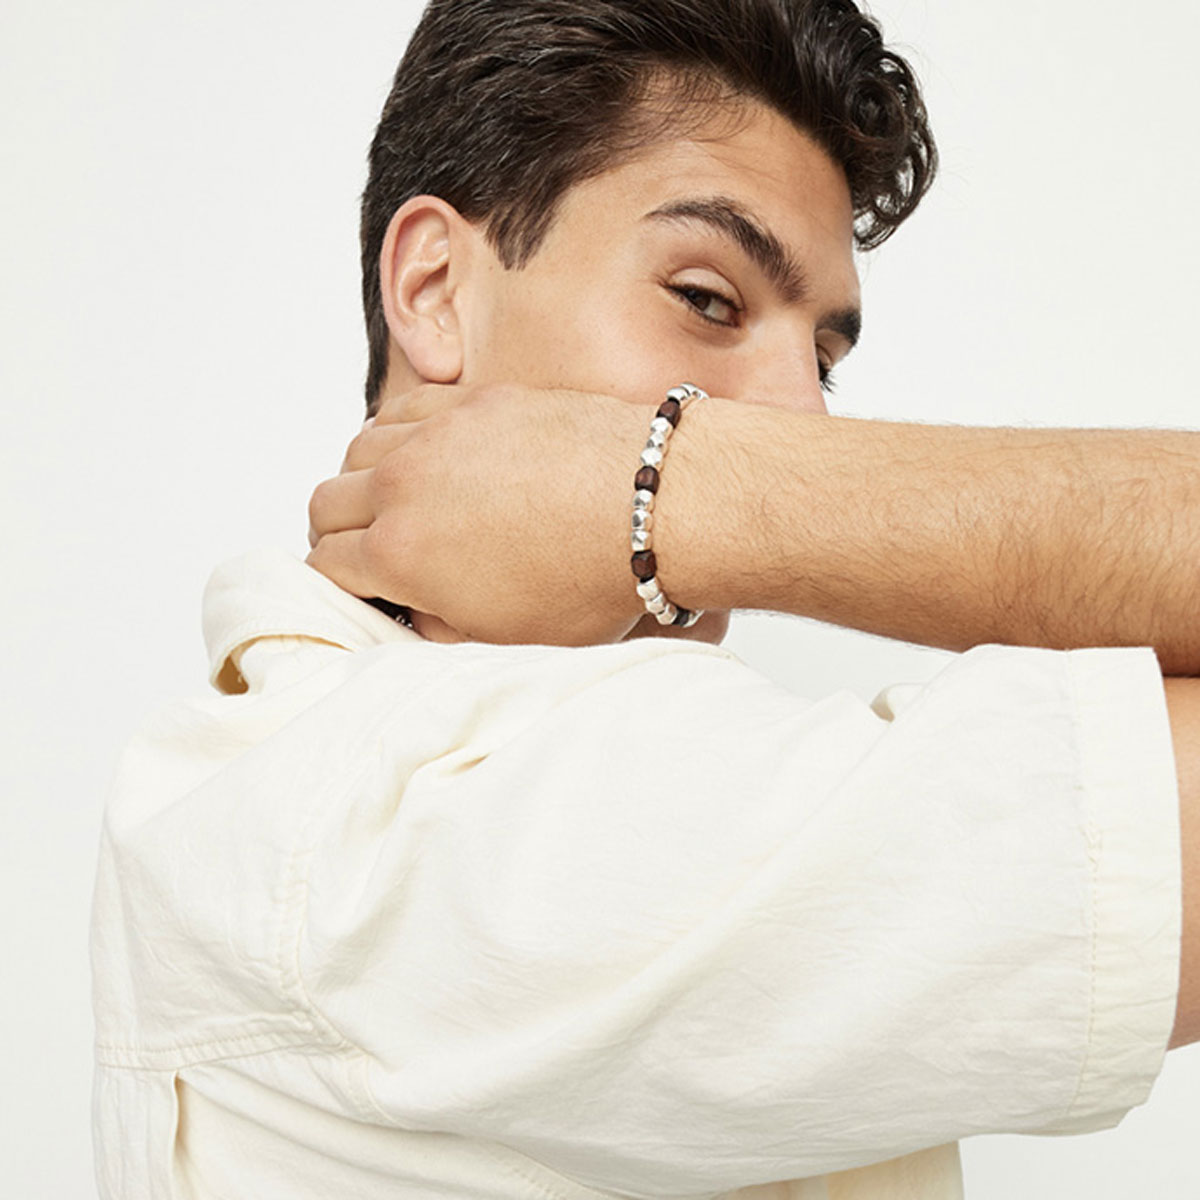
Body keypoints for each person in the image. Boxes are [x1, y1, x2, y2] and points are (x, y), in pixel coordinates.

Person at [90, 2, 1195, 1199]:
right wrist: (672, 484)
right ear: (435, 288)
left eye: (823, 363)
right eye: (707, 299)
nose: (803, 423)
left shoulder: (288, 777)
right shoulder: (431, 817)